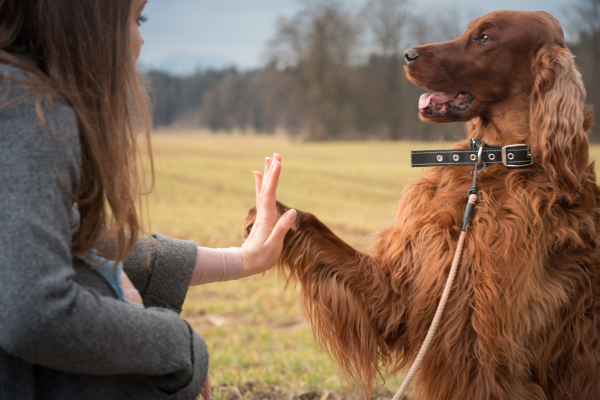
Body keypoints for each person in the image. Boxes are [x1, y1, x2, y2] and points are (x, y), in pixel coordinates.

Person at [0, 0, 297, 399]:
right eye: (135, 18)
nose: (141, 40)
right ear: (85, 18)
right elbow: (36, 313)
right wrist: (177, 346)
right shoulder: (31, 114)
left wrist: (242, 259)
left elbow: (71, 238)